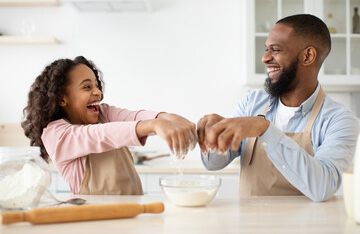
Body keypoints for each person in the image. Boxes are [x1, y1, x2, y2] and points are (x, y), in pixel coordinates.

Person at [197, 14, 359, 202]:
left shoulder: (339, 119)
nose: (265, 58)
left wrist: (264, 129)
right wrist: (213, 137)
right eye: (267, 49)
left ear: (308, 56)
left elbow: (323, 187)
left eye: (275, 50)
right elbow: (214, 164)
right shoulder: (252, 102)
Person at [22, 56, 197, 195]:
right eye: (87, 87)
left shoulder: (102, 114)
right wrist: (154, 125)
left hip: (132, 213)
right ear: (62, 98)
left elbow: (133, 117)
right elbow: (98, 135)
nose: (97, 92)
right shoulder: (56, 134)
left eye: (97, 86)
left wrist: (168, 118)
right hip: (95, 221)